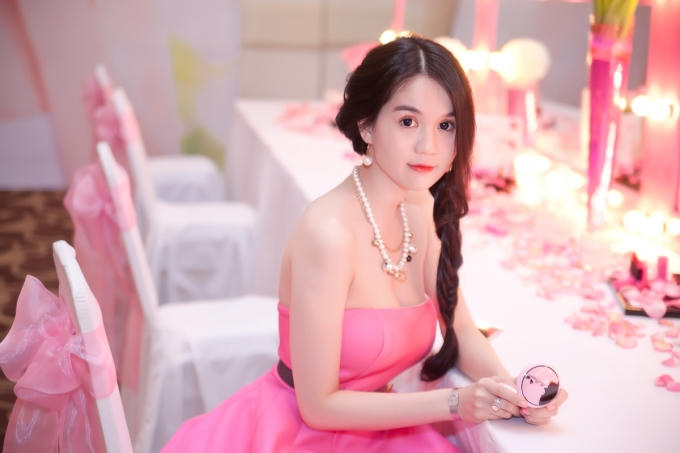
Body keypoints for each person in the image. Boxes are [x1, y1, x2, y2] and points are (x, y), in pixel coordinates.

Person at [161, 35, 567, 452]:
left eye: (445, 126)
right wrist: (454, 402)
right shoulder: (329, 234)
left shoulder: (418, 208)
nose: (428, 146)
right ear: (367, 125)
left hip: (381, 426)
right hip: (300, 435)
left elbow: (460, 328)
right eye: (408, 122)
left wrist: (511, 390)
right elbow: (318, 406)